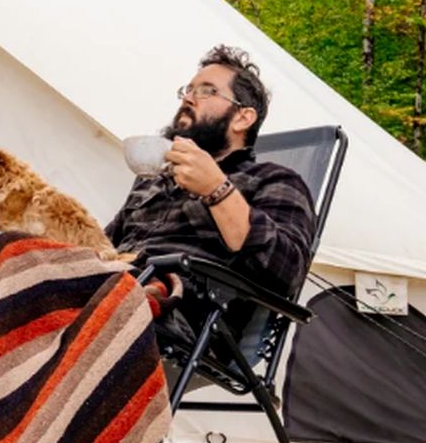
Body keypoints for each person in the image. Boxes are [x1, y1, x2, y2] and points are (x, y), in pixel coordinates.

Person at [104, 44, 316, 350]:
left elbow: (287, 273)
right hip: (115, 287)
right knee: (17, 252)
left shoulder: (274, 180)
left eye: (206, 91)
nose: (188, 97)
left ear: (243, 118)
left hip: (185, 317)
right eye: (188, 89)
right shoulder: (153, 180)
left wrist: (216, 189)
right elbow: (103, 246)